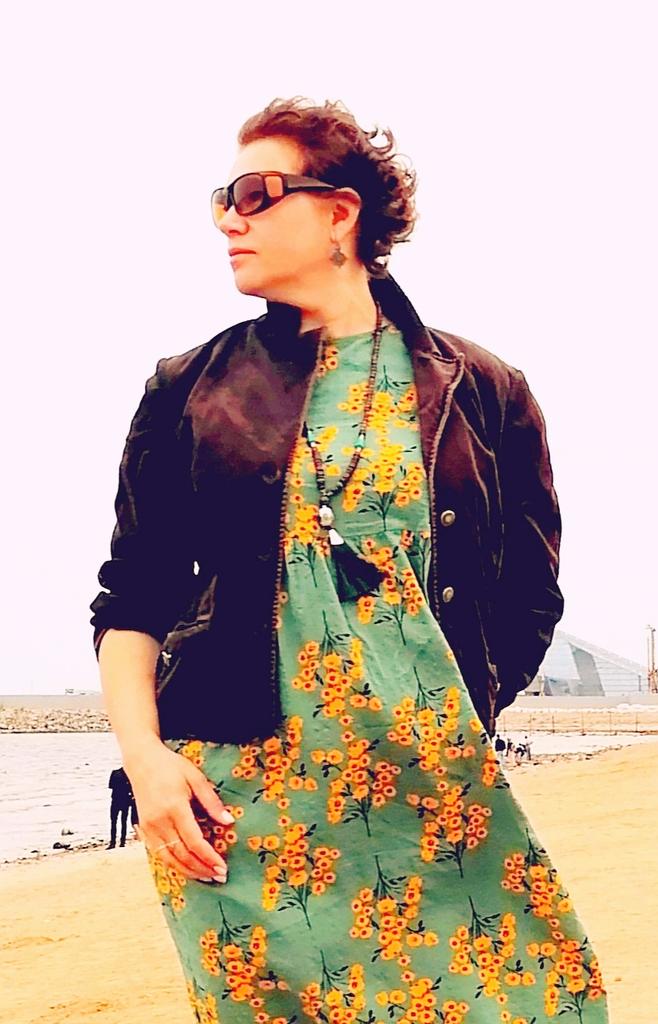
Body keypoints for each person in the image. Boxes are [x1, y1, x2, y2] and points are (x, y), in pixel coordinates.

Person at [90, 98, 608, 1022]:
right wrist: (147, 762)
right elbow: (134, 595)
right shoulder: (188, 389)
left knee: (519, 997)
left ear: (341, 214)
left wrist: (458, 712)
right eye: (222, 199)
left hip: (432, 789)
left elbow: (530, 596)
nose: (230, 218)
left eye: (256, 193)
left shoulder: (484, 390)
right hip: (236, 800)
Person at [107, 766, 132, 849]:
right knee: (124, 822)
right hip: (125, 800)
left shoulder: (114, 773)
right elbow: (132, 789)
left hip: (115, 800)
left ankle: (112, 842)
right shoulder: (129, 775)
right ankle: (122, 842)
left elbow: (110, 786)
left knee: (113, 822)